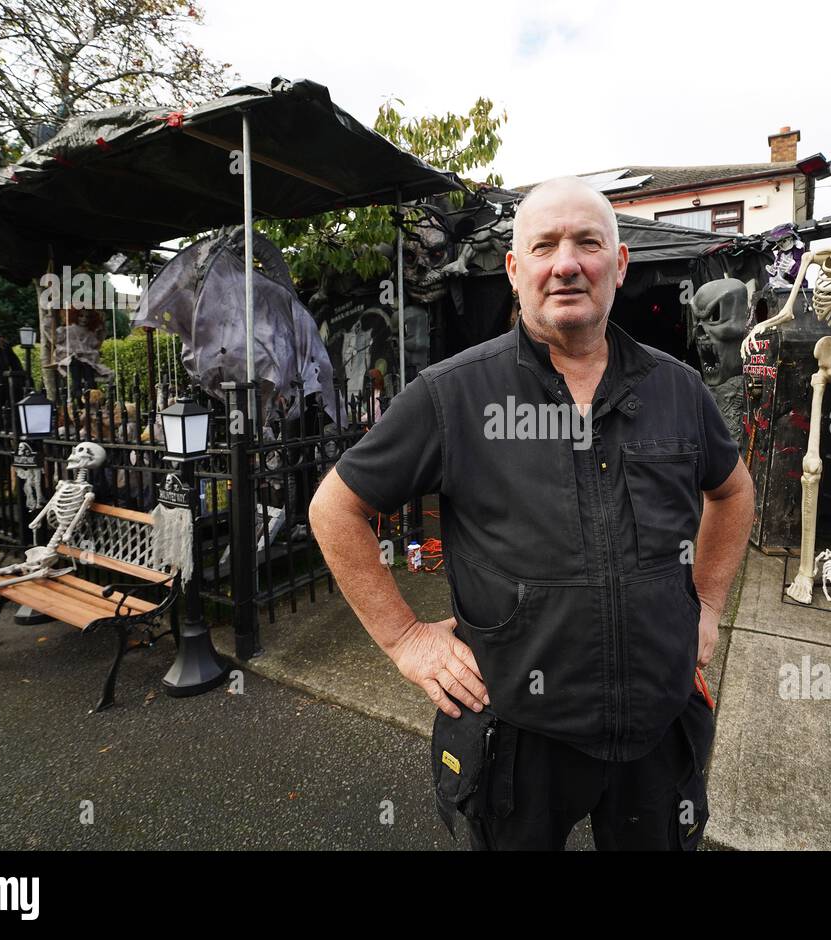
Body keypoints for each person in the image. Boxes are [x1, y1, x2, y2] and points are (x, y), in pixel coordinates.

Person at [310, 177, 754, 851]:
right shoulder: (451, 395)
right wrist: (405, 639)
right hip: (517, 735)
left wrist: (710, 606)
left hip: (657, 727)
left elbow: (733, 492)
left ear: (621, 263)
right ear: (515, 271)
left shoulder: (677, 388)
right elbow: (336, 508)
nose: (567, 263)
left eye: (587, 243)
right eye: (544, 245)